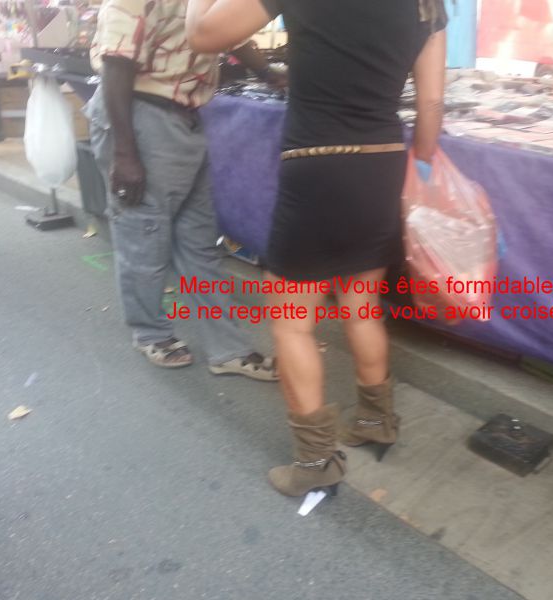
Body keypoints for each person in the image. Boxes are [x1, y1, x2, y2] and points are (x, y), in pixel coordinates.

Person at [186, 0, 447, 496]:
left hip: (318, 162)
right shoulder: (426, 3)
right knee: (361, 305)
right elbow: (431, 105)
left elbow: (203, 34)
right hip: (382, 163)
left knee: (291, 321)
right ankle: (376, 421)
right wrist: (423, 166)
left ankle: (315, 462)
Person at [86, 0, 280, 380]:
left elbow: (229, 34)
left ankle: (228, 349)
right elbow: (116, 63)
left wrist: (267, 72)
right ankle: (151, 333)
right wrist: (125, 153)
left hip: (186, 119)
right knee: (144, 236)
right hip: (139, 114)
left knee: (199, 242)